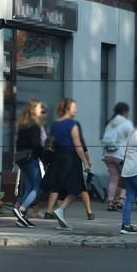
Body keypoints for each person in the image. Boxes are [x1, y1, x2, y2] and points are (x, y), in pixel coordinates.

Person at [46, 98, 93, 230]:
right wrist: (85, 162)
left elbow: (50, 142)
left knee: (61, 189)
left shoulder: (55, 124)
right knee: (76, 188)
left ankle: (62, 219)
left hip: (58, 157)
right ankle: (60, 210)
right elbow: (78, 144)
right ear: (67, 108)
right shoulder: (73, 124)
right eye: (74, 107)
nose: (76, 109)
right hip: (71, 158)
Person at [13, 99, 45, 228]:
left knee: (28, 187)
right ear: (33, 110)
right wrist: (43, 156)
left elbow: (18, 143)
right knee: (37, 187)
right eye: (38, 108)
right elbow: (36, 144)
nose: (40, 110)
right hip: (31, 158)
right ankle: (21, 209)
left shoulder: (22, 125)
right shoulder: (35, 126)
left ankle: (22, 218)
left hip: (22, 159)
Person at [101, 102, 133, 211]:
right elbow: (132, 140)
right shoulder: (127, 124)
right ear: (125, 112)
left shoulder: (110, 123)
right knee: (127, 178)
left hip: (108, 154)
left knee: (113, 179)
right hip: (121, 154)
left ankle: (110, 202)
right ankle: (121, 200)